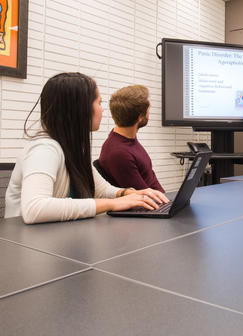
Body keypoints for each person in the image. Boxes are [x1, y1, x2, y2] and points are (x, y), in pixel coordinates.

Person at [4, 72, 169, 224]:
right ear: (81, 109)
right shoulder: (44, 150)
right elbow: (35, 209)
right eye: (99, 102)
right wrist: (112, 204)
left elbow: (101, 189)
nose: (103, 109)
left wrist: (127, 193)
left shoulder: (71, 149)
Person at [98, 85, 164, 192]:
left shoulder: (128, 140)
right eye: (148, 108)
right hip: (149, 205)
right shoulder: (119, 154)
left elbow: (151, 179)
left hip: (159, 201)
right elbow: (143, 196)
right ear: (140, 117)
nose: (149, 110)